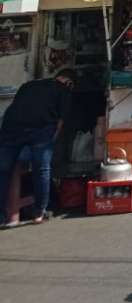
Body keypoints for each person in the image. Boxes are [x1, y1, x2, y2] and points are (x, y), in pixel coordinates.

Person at [0, 68, 74, 227]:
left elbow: (17, 105)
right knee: (41, 168)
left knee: (3, 170)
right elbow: (60, 121)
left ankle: (1, 215)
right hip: (40, 129)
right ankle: (39, 213)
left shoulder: (28, 85)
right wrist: (52, 139)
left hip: (11, 128)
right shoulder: (64, 89)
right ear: (68, 82)